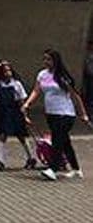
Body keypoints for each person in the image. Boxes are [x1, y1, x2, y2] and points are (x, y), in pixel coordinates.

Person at [23, 48, 90, 180]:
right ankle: (76, 169)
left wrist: (83, 114)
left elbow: (75, 96)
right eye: (45, 59)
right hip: (51, 113)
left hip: (65, 113)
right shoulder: (42, 75)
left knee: (57, 140)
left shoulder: (62, 77)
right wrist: (27, 103)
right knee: (65, 142)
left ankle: (53, 169)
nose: (46, 61)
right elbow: (36, 91)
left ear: (55, 60)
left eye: (49, 59)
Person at [0, 60, 35, 171]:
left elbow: (21, 101)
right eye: (5, 71)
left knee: (21, 136)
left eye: (9, 70)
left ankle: (31, 158)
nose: (8, 73)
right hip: (4, 113)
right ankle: (0, 161)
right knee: (2, 136)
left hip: (16, 113)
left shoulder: (17, 84)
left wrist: (25, 116)